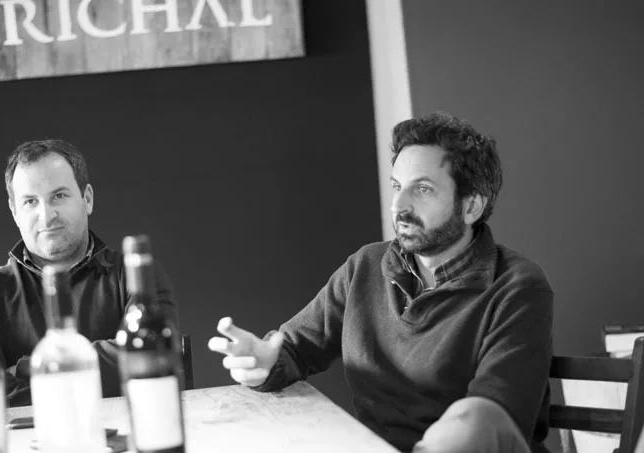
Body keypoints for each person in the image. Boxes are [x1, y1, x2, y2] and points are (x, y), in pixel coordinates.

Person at [208, 112, 553, 453]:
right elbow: (294, 348)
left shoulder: (518, 287)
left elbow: (490, 422)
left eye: (423, 189)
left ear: (472, 206)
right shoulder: (365, 266)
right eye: (397, 186)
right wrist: (264, 364)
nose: (399, 205)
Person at [0, 139, 177, 407]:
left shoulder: (138, 275)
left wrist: (28, 367)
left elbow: (152, 358)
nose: (46, 216)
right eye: (30, 201)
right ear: (14, 212)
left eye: (58, 196)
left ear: (87, 199)